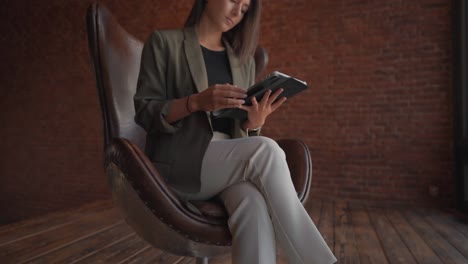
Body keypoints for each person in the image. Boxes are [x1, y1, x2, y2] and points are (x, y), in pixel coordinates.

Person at [134, 0, 337, 263]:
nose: (237, 13)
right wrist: (194, 102)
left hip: (228, 163)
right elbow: (144, 112)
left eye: (244, 9)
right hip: (180, 160)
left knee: (252, 203)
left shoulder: (243, 62)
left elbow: (241, 136)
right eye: (233, 1)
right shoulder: (163, 42)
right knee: (266, 149)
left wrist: (253, 123)